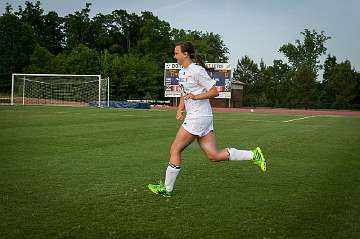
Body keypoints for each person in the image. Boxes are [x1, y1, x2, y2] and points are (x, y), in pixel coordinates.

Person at [148, 41, 266, 197]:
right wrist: (180, 109)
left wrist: (196, 97)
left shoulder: (196, 71)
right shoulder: (182, 72)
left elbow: (214, 92)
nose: (174, 56)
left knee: (175, 150)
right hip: (201, 117)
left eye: (176, 53)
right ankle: (254, 155)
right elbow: (185, 93)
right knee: (213, 155)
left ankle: (167, 190)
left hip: (198, 117)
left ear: (186, 54)